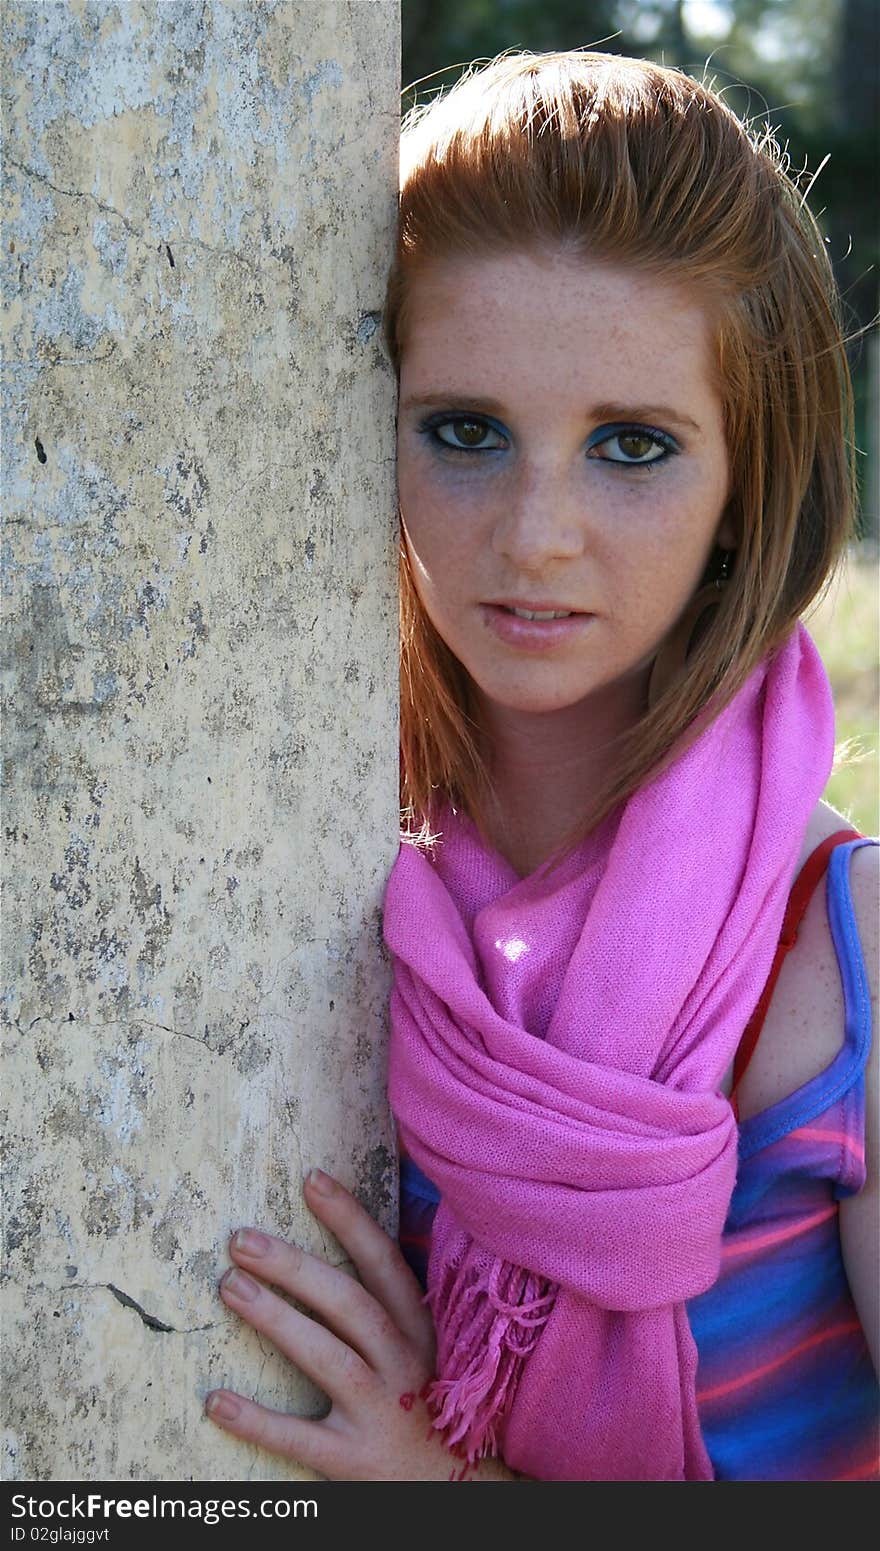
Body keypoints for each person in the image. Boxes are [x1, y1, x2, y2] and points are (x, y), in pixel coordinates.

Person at [203, 50, 879, 1481]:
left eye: (632, 446)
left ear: (751, 483)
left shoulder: (854, 953)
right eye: (465, 431)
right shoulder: (291, 880)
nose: (533, 534)